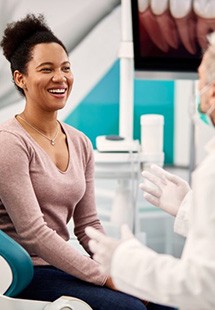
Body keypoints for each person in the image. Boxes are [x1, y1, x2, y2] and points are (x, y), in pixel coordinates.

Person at [0, 13, 150, 310]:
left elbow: (88, 224)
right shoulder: (9, 142)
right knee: (130, 308)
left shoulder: (80, 141)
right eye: (46, 69)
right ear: (21, 78)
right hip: (23, 272)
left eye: (65, 68)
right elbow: (34, 234)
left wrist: (117, 266)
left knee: (164, 300)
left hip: (62, 265)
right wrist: (104, 277)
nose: (60, 78)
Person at [85, 31, 215, 310]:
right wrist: (190, 208)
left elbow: (203, 285)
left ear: (212, 93)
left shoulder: (211, 173)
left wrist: (125, 260)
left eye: (200, 80)